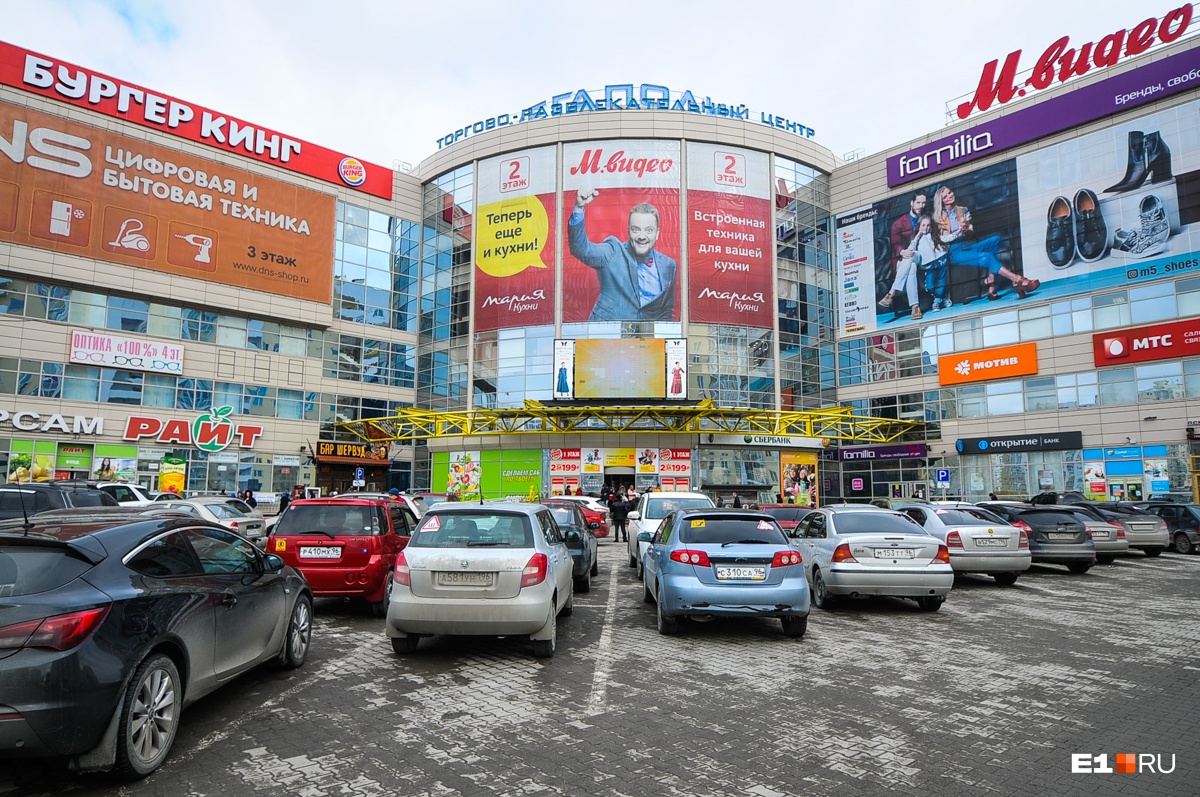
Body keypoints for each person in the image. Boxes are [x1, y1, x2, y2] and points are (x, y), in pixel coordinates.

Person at [567, 188, 677, 321]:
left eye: (648, 230)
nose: (642, 236)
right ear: (628, 230)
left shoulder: (669, 265)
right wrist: (579, 208)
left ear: (657, 233)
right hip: (608, 335)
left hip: (647, 338)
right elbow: (582, 250)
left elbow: (666, 309)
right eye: (636, 230)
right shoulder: (613, 251)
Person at [932, 186, 1039, 300]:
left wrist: (966, 229)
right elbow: (944, 239)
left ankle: (990, 279)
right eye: (945, 197)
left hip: (968, 244)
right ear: (941, 201)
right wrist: (958, 231)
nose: (949, 196)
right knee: (987, 256)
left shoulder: (963, 210)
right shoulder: (938, 217)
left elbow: (971, 232)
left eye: (950, 192)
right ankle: (1017, 280)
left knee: (996, 240)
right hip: (954, 251)